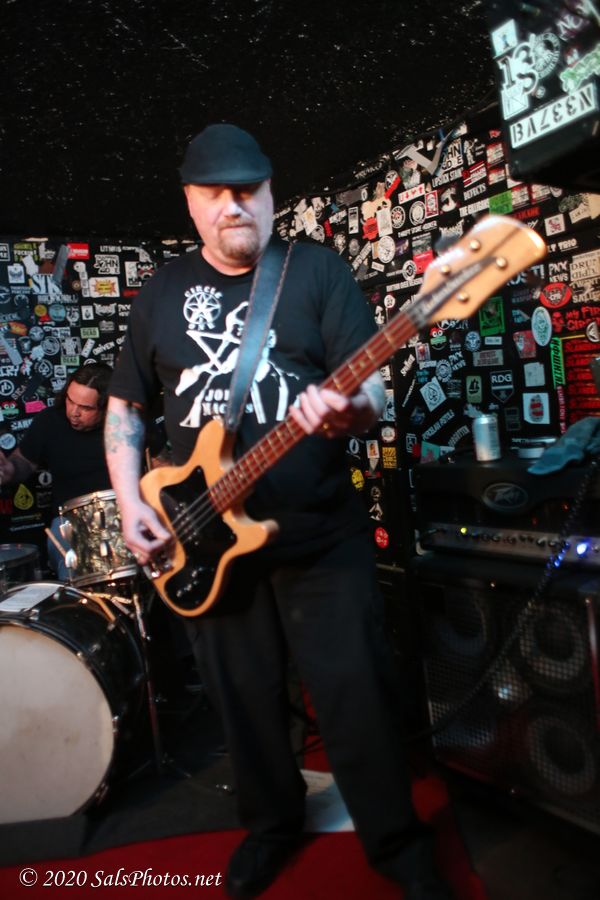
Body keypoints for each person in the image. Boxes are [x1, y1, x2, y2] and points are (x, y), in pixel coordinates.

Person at [104, 123, 452, 899]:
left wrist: (349, 410)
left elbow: (369, 387)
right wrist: (131, 502)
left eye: (250, 189)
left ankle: (397, 844)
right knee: (244, 702)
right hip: (203, 539)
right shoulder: (159, 292)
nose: (235, 205)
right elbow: (126, 406)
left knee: (357, 695)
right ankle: (271, 828)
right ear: (191, 202)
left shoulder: (315, 270)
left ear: (271, 193)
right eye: (217, 193)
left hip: (320, 535)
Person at [0, 363, 113, 579]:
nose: (74, 412)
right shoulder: (50, 421)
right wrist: (9, 469)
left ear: (107, 407)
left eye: (86, 408)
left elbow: (160, 466)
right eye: (70, 401)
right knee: (72, 561)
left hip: (122, 514)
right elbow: (24, 462)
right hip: (68, 521)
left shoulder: (129, 423)